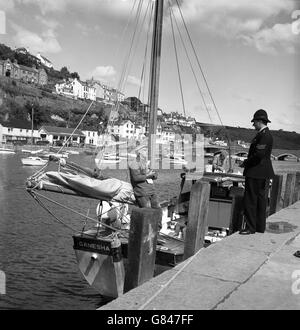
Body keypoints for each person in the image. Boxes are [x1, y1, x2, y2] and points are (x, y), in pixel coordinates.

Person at [239, 109, 275, 235]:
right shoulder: (265, 134)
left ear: (260, 121)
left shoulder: (263, 135)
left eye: (254, 122)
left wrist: (245, 163)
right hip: (262, 172)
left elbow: (259, 154)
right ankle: (259, 226)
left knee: (251, 200)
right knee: (260, 200)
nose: (253, 124)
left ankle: (251, 227)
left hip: (255, 172)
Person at [128, 145, 160, 209]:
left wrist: (154, 174)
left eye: (147, 150)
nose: (147, 152)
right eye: (144, 150)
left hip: (152, 191)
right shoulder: (134, 163)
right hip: (142, 192)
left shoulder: (146, 162)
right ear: (139, 152)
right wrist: (148, 175)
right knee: (147, 212)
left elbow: (155, 174)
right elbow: (135, 178)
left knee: (157, 210)